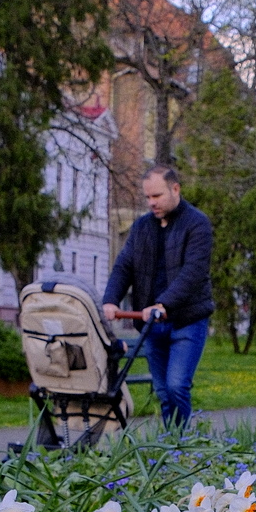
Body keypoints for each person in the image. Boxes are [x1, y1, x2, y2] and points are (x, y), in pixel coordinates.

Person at [103, 165, 214, 426]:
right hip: (152, 325)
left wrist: (163, 304)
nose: (151, 203)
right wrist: (110, 300)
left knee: (177, 386)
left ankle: (182, 446)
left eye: (157, 196)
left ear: (175, 189)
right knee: (163, 392)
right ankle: (172, 448)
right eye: (148, 197)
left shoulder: (197, 224)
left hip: (187, 321)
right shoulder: (142, 227)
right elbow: (124, 266)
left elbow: (193, 273)